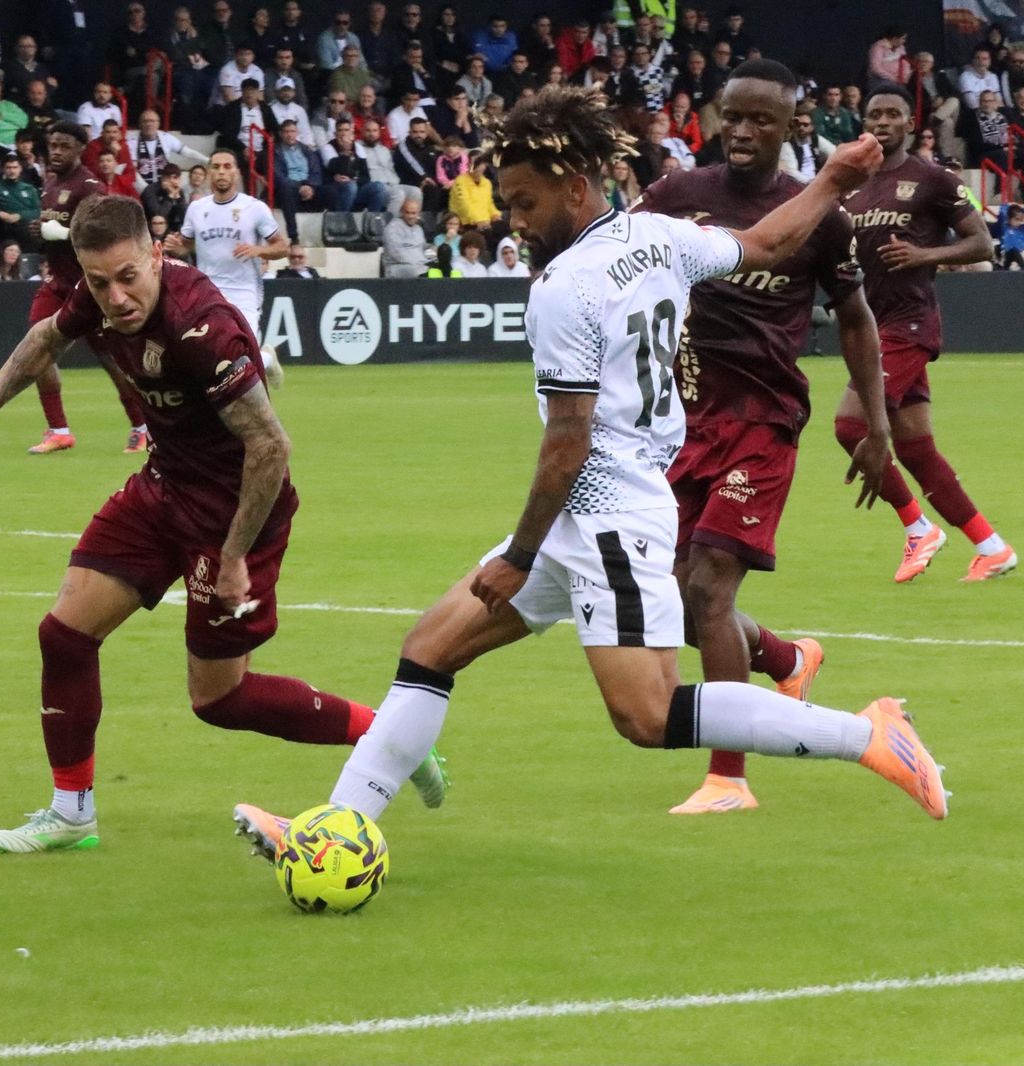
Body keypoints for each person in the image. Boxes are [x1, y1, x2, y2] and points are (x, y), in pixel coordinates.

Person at [231, 85, 945, 862]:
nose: (515, 220)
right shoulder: (662, 235)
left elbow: (567, 441)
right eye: (508, 203)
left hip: (608, 512)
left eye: (526, 202)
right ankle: (338, 830)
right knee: (430, 648)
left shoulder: (563, 288)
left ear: (577, 187)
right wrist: (832, 182)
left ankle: (867, 733)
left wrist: (518, 555)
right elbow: (769, 244)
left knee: (645, 717)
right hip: (598, 506)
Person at [0, 195, 448, 851]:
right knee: (64, 637)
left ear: (157, 254)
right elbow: (45, 338)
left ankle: (387, 735)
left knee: (219, 701)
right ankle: (72, 813)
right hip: (164, 488)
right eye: (99, 282)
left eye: (128, 277)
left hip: (234, 512)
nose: (115, 297)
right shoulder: (98, 299)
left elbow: (270, 449)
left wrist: (233, 556)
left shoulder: (200, 328)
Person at [632, 60, 894, 814]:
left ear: (789, 128)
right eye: (732, 117)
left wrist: (876, 427)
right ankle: (786, 656)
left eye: (761, 121)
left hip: (764, 424)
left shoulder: (819, 215)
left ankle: (728, 778)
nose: (743, 132)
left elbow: (855, 319)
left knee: (709, 593)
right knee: (677, 603)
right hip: (680, 423)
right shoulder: (678, 197)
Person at [837, 85, 1013, 583]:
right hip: (871, 324)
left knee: (852, 426)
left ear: (910, 125)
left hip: (909, 323)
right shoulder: (853, 187)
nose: (883, 121)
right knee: (914, 447)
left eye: (893, 113)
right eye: (875, 113)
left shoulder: (933, 179)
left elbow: (982, 244)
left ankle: (918, 527)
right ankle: (991, 545)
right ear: (864, 121)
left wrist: (924, 256)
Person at [24, 121, 151, 456]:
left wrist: (61, 233)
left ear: (80, 149)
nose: (56, 152)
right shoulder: (50, 184)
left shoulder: (89, 186)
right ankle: (59, 429)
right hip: (56, 283)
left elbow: (104, 231)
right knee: (37, 348)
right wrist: (40, 234)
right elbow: (53, 235)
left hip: (90, 287)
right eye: (53, 145)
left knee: (113, 360)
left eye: (64, 146)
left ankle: (142, 428)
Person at [167, 148, 289, 386]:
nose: (221, 172)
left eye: (227, 166)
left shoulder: (254, 208)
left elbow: (282, 246)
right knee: (206, 358)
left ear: (237, 173)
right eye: (216, 167)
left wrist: (258, 250)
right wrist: (175, 246)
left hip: (244, 292)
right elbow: (187, 245)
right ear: (210, 173)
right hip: (207, 293)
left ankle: (266, 358)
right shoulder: (196, 209)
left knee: (243, 359)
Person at [381, 196, 428, 278]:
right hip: (397, 267)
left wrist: (433, 250)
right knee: (414, 270)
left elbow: (423, 247)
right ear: (402, 212)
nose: (410, 216)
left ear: (418, 214)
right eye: (407, 212)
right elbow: (395, 253)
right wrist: (418, 263)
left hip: (420, 265)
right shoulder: (392, 227)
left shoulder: (418, 229)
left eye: (413, 213)